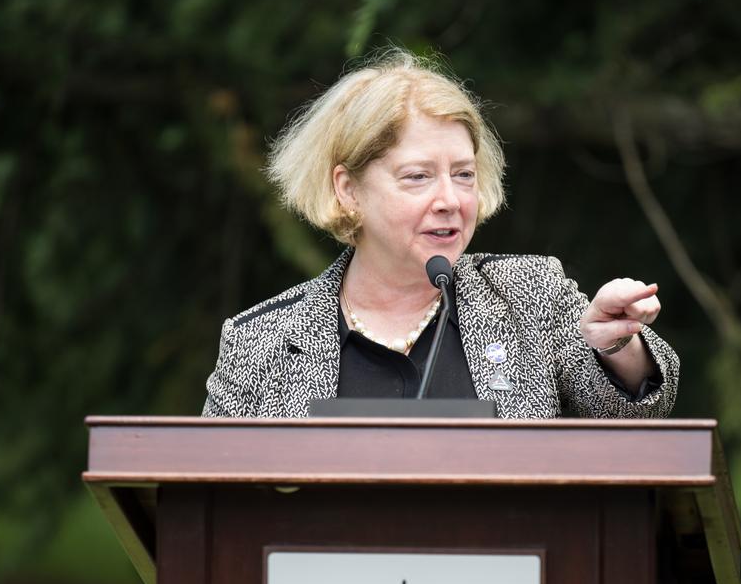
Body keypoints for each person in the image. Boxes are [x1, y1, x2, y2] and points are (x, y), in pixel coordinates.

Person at [202, 49, 678, 419]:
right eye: (418, 176)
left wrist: (615, 344)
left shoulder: (529, 296)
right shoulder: (261, 342)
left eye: (464, 174)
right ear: (348, 190)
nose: (450, 199)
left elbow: (639, 411)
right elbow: (211, 505)